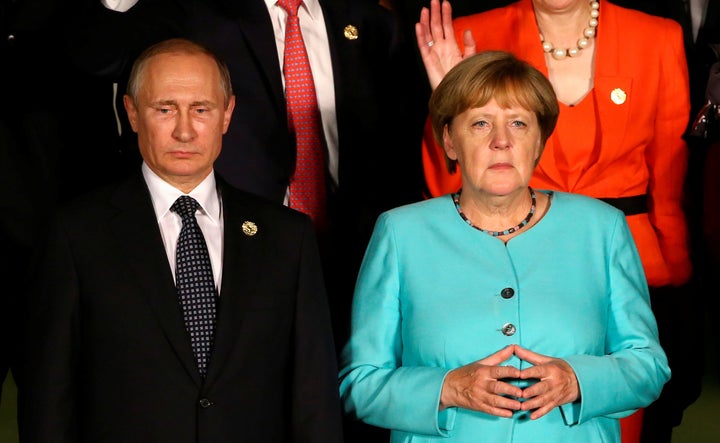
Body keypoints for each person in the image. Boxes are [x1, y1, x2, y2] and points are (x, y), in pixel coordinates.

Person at [18, 38, 343, 443]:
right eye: (165, 109)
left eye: (201, 110)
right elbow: (47, 395)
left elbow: (314, 396)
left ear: (227, 114)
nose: (185, 130)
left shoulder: (287, 238)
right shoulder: (75, 234)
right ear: (133, 113)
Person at [338, 50, 670, 443]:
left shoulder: (601, 228)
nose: (501, 141)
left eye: (518, 123)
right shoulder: (399, 233)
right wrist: (447, 388)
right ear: (449, 140)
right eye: (480, 123)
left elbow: (648, 366)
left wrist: (576, 381)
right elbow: (359, 385)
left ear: (539, 141)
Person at [415, 1, 695, 441]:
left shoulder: (659, 35)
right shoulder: (471, 34)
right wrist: (447, 99)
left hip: (629, 262)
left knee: (619, 407)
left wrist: (674, 264)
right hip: (499, 253)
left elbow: (669, 164)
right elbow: (447, 180)